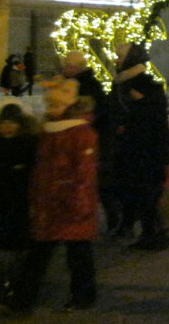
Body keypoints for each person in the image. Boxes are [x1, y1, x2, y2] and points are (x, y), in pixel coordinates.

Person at [6, 77, 99, 312]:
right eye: (50, 105)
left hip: (72, 203)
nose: (53, 109)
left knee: (77, 256)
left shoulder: (80, 132)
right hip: (50, 203)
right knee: (40, 255)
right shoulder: (49, 131)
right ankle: (22, 299)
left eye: (57, 105)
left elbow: (85, 171)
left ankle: (83, 296)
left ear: (70, 105)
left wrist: (79, 201)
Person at [111, 43, 169, 251]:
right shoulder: (124, 83)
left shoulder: (142, 85)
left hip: (146, 149)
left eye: (120, 57)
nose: (116, 61)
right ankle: (148, 230)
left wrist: (129, 118)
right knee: (140, 192)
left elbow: (153, 118)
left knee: (145, 193)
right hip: (134, 148)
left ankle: (151, 234)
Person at [0, 103, 39, 302]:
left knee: (19, 253)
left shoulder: (29, 148)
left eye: (12, 123)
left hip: (22, 208)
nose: (7, 127)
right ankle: (4, 291)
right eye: (4, 123)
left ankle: (18, 291)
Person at [62, 51, 118, 235]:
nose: (66, 68)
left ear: (78, 67)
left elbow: (98, 115)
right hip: (80, 141)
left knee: (98, 182)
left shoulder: (88, 86)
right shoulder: (70, 84)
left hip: (92, 142)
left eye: (69, 66)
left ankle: (110, 216)